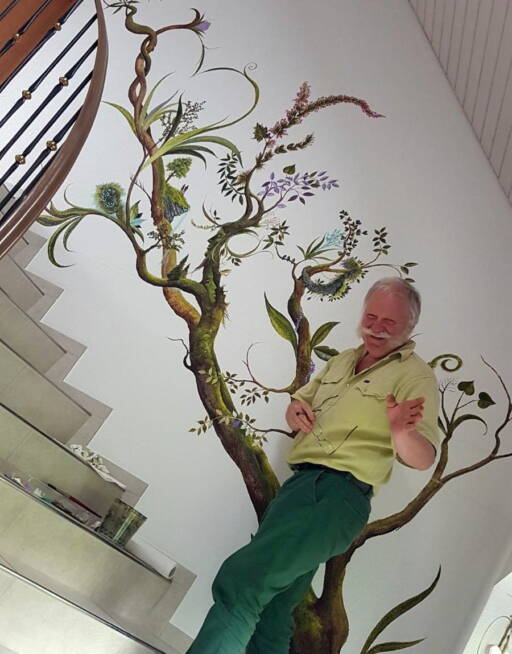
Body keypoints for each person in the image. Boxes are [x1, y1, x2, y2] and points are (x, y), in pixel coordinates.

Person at [186, 277, 439, 654]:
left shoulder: (415, 376)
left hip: (337, 496)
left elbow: (424, 457)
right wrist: (295, 410)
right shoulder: (343, 359)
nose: (377, 328)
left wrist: (401, 431)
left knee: (242, 584)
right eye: (371, 317)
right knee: (274, 611)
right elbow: (300, 404)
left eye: (390, 322)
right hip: (301, 487)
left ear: (411, 326)